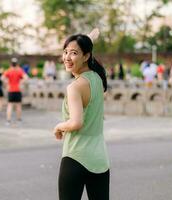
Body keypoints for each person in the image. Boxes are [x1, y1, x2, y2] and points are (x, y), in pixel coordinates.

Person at [53, 29, 110, 200]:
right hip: (99, 159)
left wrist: (59, 126)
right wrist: (86, 40)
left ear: (86, 56)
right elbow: (83, 49)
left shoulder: (75, 87)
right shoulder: (98, 79)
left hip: (75, 157)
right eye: (65, 52)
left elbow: (76, 122)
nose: (67, 58)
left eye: (73, 53)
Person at [1, 58, 28, 125]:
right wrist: (21, 83)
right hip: (18, 90)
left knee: (10, 105)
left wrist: (7, 83)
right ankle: (19, 120)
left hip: (11, 90)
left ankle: (8, 120)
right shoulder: (19, 70)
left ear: (11, 64)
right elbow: (26, 77)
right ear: (17, 64)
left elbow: (1, 78)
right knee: (18, 105)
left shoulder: (8, 70)